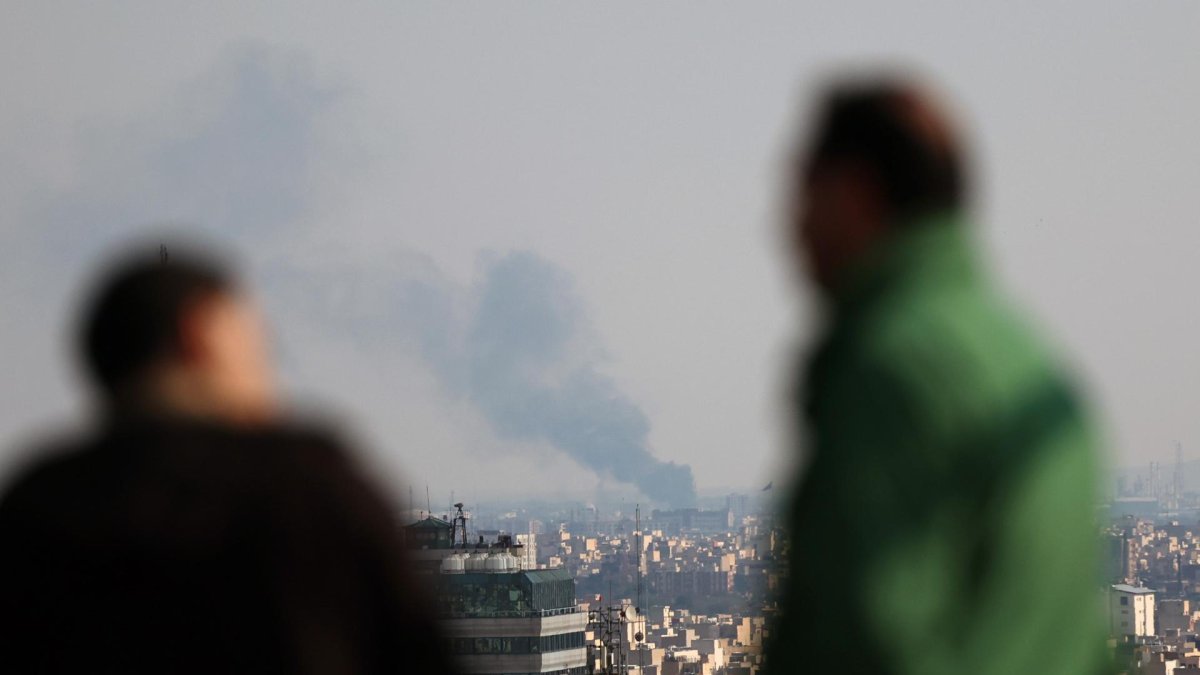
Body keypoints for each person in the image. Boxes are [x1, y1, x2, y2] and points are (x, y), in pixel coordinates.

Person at [769, 80, 1107, 674]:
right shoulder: (1036, 375)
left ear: (854, 195)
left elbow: (868, 639)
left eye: (805, 194)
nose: (791, 227)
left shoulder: (890, 375)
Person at [0, 247, 455, 674]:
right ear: (198, 335)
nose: (268, 370)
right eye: (258, 344)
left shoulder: (36, 506)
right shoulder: (307, 487)